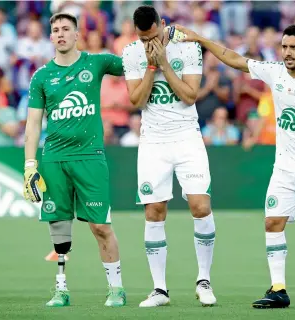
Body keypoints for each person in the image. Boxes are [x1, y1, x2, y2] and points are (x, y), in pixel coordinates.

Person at [174, 23, 295, 308]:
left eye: (294, 47)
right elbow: (235, 59)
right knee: (272, 222)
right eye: (284, 47)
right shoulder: (275, 72)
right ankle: (278, 289)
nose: (287, 53)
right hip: (284, 166)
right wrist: (199, 39)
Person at [23, 12, 126, 308]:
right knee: (59, 226)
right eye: (55, 30)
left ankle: (116, 288)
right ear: (51, 36)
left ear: (78, 34)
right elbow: (32, 125)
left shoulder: (97, 63)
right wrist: (30, 165)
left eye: (66, 29)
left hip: (90, 158)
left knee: (101, 227)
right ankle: (61, 289)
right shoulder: (41, 76)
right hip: (54, 159)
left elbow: (135, 65)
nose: (60, 34)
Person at [122, 5, 216, 307]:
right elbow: (136, 100)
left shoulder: (188, 48)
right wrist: (151, 66)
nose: (149, 43)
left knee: (200, 205)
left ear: (162, 25)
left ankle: (204, 280)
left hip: (187, 137)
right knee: (154, 211)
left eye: (153, 36)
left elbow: (190, 96)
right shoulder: (132, 52)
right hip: (153, 142)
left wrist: (164, 63)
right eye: (143, 37)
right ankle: (160, 289)